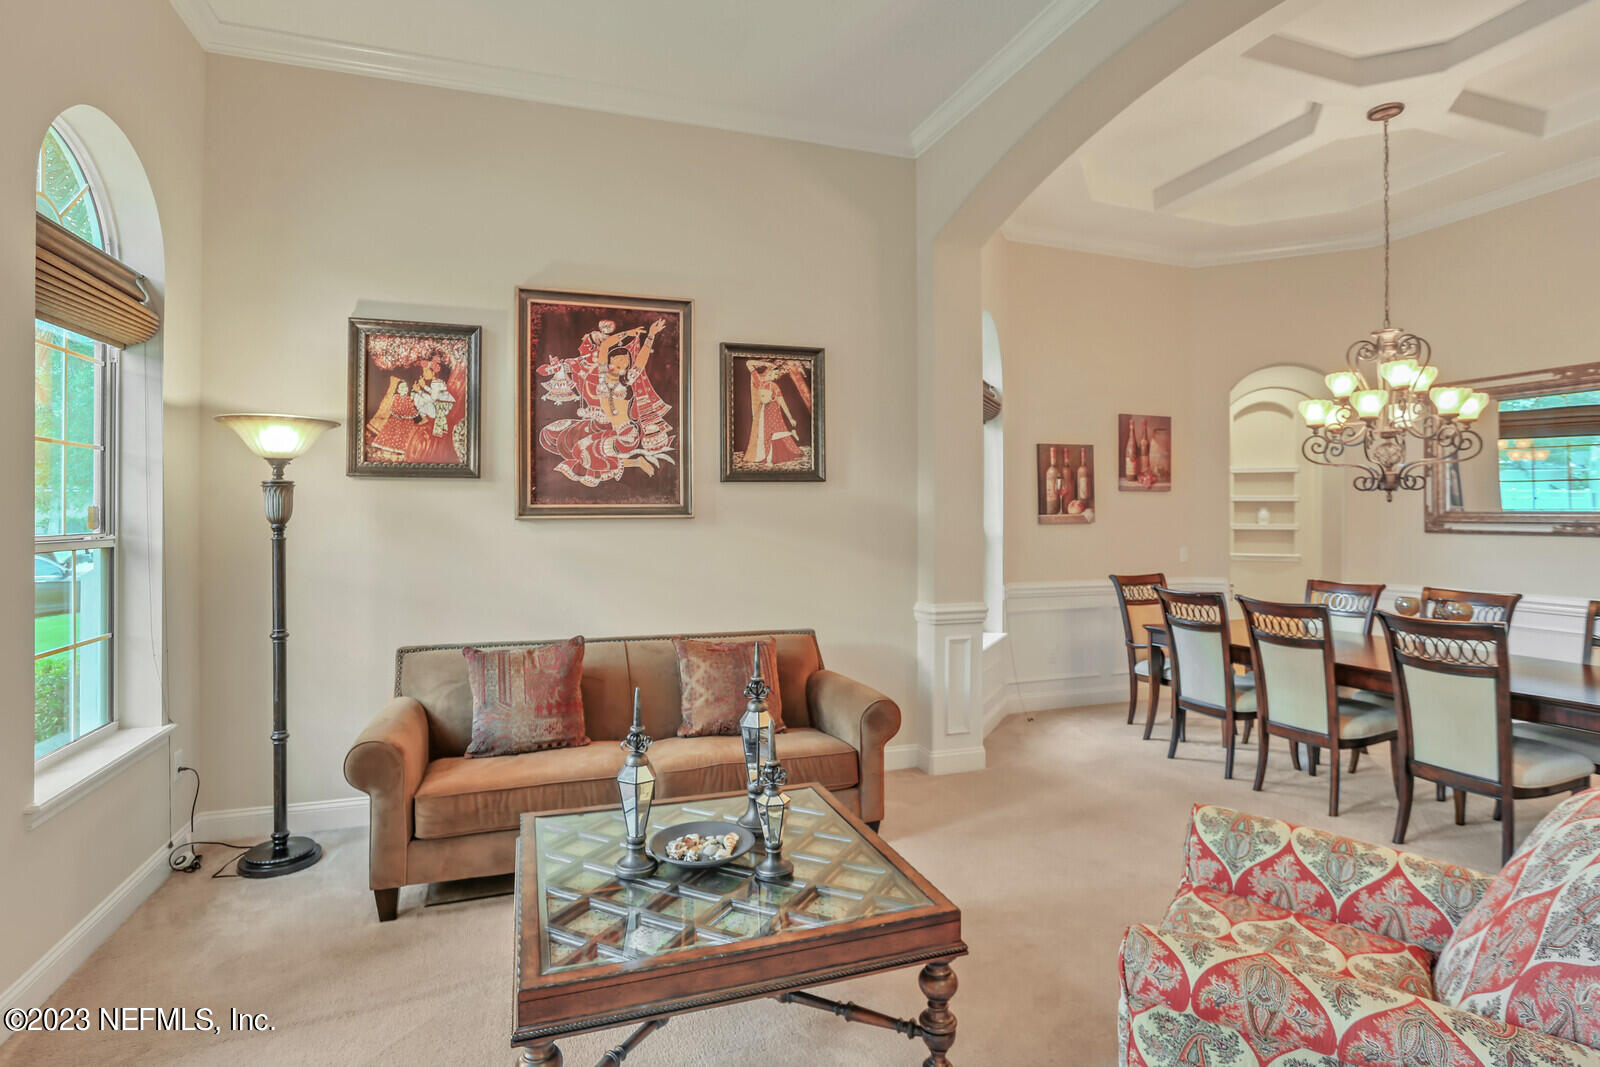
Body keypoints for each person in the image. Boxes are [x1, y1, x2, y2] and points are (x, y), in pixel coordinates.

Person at [537, 317, 674, 486]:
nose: (622, 361)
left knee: (583, 452)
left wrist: (651, 335)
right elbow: (606, 346)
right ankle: (634, 461)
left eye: (625, 361)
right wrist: (627, 334)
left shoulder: (626, 381)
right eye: (618, 359)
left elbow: (642, 360)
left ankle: (637, 461)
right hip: (603, 426)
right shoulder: (602, 375)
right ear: (609, 361)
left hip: (625, 433)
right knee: (564, 439)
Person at [742, 359, 804, 466]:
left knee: (775, 434)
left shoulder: (775, 386)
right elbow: (748, 363)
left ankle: (769, 459)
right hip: (763, 413)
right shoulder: (759, 381)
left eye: (777, 375)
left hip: (774, 413)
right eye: (774, 374)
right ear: (769, 371)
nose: (775, 377)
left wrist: (790, 418)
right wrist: (767, 364)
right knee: (766, 436)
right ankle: (767, 456)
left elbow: (782, 403)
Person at [408, 353, 459, 464]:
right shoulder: (434, 383)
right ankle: (421, 416)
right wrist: (421, 389)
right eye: (423, 371)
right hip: (437, 405)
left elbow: (433, 399)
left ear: (433, 372)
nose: (423, 373)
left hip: (442, 408)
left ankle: (422, 416)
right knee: (419, 396)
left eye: (426, 371)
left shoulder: (437, 383)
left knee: (421, 398)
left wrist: (421, 389)